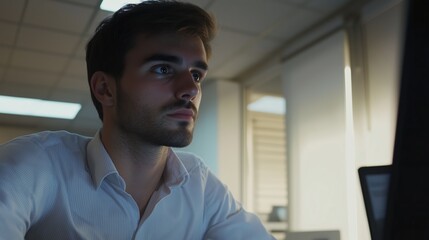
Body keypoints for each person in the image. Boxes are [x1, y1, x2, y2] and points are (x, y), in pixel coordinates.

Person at [0, 1, 275, 239]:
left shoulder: (200, 185)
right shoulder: (38, 162)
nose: (190, 89)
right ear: (105, 89)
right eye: (163, 68)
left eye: (196, 75)